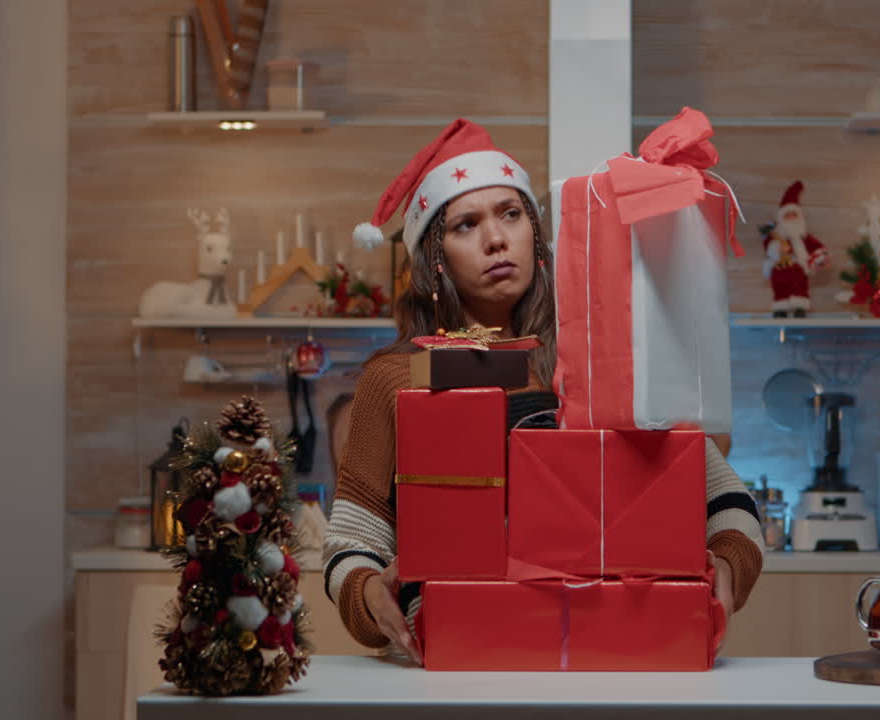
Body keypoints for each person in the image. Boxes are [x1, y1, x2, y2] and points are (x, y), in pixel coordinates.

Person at [322, 119, 765, 664]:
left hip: (600, 652)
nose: (495, 239)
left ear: (536, 231)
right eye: (465, 225)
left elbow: (727, 501)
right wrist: (368, 593)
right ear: (434, 259)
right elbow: (350, 539)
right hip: (451, 664)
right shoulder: (396, 377)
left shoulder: (598, 362)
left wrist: (726, 564)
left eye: (511, 214)